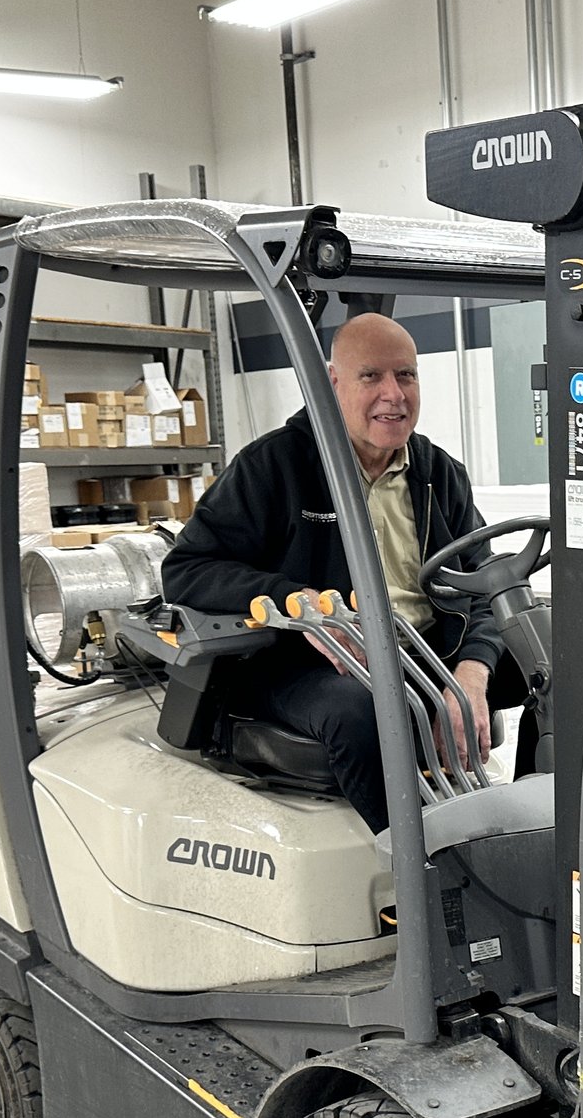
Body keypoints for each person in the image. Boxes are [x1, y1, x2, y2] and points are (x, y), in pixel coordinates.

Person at [160, 312, 505, 833]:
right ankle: (419, 870)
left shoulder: (438, 474)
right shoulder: (274, 466)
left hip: (423, 651)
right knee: (366, 711)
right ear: (332, 380)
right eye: (372, 376)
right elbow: (186, 570)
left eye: (406, 375)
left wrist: (473, 673)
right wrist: (293, 598)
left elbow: (486, 581)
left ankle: (542, 840)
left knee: (550, 658)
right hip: (305, 665)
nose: (394, 394)